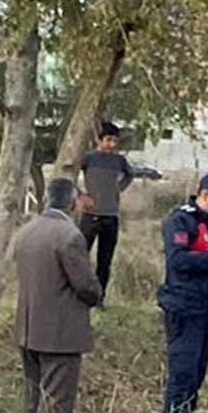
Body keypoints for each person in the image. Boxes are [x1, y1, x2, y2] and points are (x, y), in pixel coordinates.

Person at [13, 178, 103, 413]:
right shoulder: (69, 236)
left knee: (33, 396)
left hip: (28, 328)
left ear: (46, 200)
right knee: (56, 401)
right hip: (59, 332)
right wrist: (98, 294)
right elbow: (86, 286)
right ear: (74, 203)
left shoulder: (26, 231)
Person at [158, 171, 208, 413]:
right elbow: (178, 260)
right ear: (205, 195)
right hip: (183, 305)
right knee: (183, 369)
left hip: (207, 305)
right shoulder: (180, 220)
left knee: (198, 370)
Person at [79, 122, 133, 302]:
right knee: (80, 256)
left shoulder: (119, 161)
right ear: (99, 140)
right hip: (90, 215)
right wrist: (81, 195)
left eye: (115, 141)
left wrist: (118, 188)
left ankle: (99, 298)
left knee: (105, 261)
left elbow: (129, 175)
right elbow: (69, 173)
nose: (112, 145)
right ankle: (78, 294)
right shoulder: (88, 158)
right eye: (109, 140)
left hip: (111, 216)